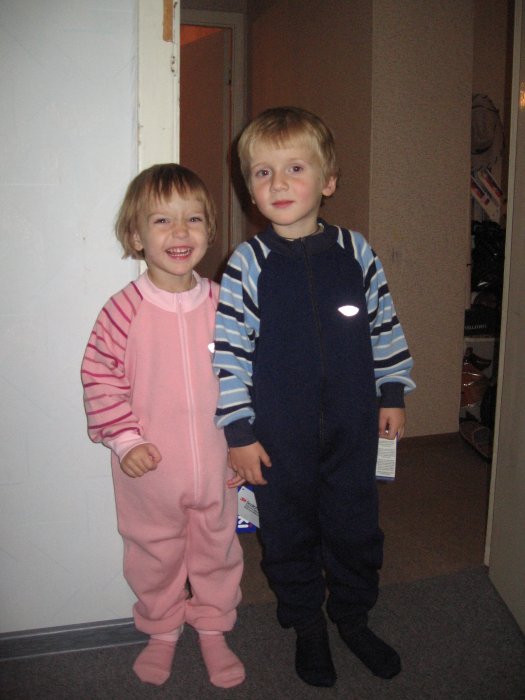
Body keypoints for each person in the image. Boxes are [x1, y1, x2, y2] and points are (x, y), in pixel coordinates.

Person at [213, 107, 415, 688]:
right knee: (287, 533)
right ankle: (307, 623)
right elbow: (227, 354)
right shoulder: (247, 264)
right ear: (249, 188)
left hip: (353, 428)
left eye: (295, 168)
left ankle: (352, 616)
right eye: (262, 172)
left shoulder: (356, 251)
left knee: (355, 528)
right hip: (278, 437)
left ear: (327, 181)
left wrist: (392, 391)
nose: (278, 183)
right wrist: (239, 433)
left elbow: (384, 326)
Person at [81, 164, 245, 689]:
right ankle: (162, 629)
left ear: (209, 230)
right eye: (162, 220)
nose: (180, 232)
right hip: (150, 471)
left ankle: (214, 626)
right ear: (136, 236)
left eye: (193, 219)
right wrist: (124, 439)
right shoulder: (122, 311)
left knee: (218, 550)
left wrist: (246, 441)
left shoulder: (226, 304)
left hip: (219, 465)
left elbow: (249, 375)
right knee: (155, 555)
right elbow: (100, 377)